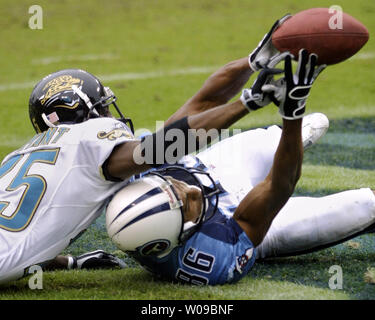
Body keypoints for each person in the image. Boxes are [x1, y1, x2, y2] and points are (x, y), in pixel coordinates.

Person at [0, 15, 295, 284]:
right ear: (86, 113)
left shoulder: (16, 157)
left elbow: (19, 236)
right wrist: (247, 103)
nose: (109, 113)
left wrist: (71, 261)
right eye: (103, 106)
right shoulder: (88, 139)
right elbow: (161, 148)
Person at [106, 53, 375, 285]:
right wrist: (292, 113)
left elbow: (200, 105)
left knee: (316, 123)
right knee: (367, 204)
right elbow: (280, 185)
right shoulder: (214, 253)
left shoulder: (139, 179)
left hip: (214, 167)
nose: (190, 191)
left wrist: (252, 64)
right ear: (181, 235)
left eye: (173, 187)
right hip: (240, 221)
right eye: (185, 202)